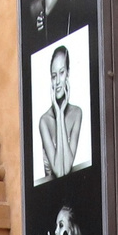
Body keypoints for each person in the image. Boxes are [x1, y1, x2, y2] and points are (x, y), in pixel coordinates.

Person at [38, 46, 83, 181]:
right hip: (50, 196)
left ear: (68, 73)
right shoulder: (44, 121)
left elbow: (67, 167)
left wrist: (61, 113)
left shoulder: (77, 113)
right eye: (53, 76)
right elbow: (59, 171)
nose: (57, 81)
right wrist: (58, 114)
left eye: (61, 72)